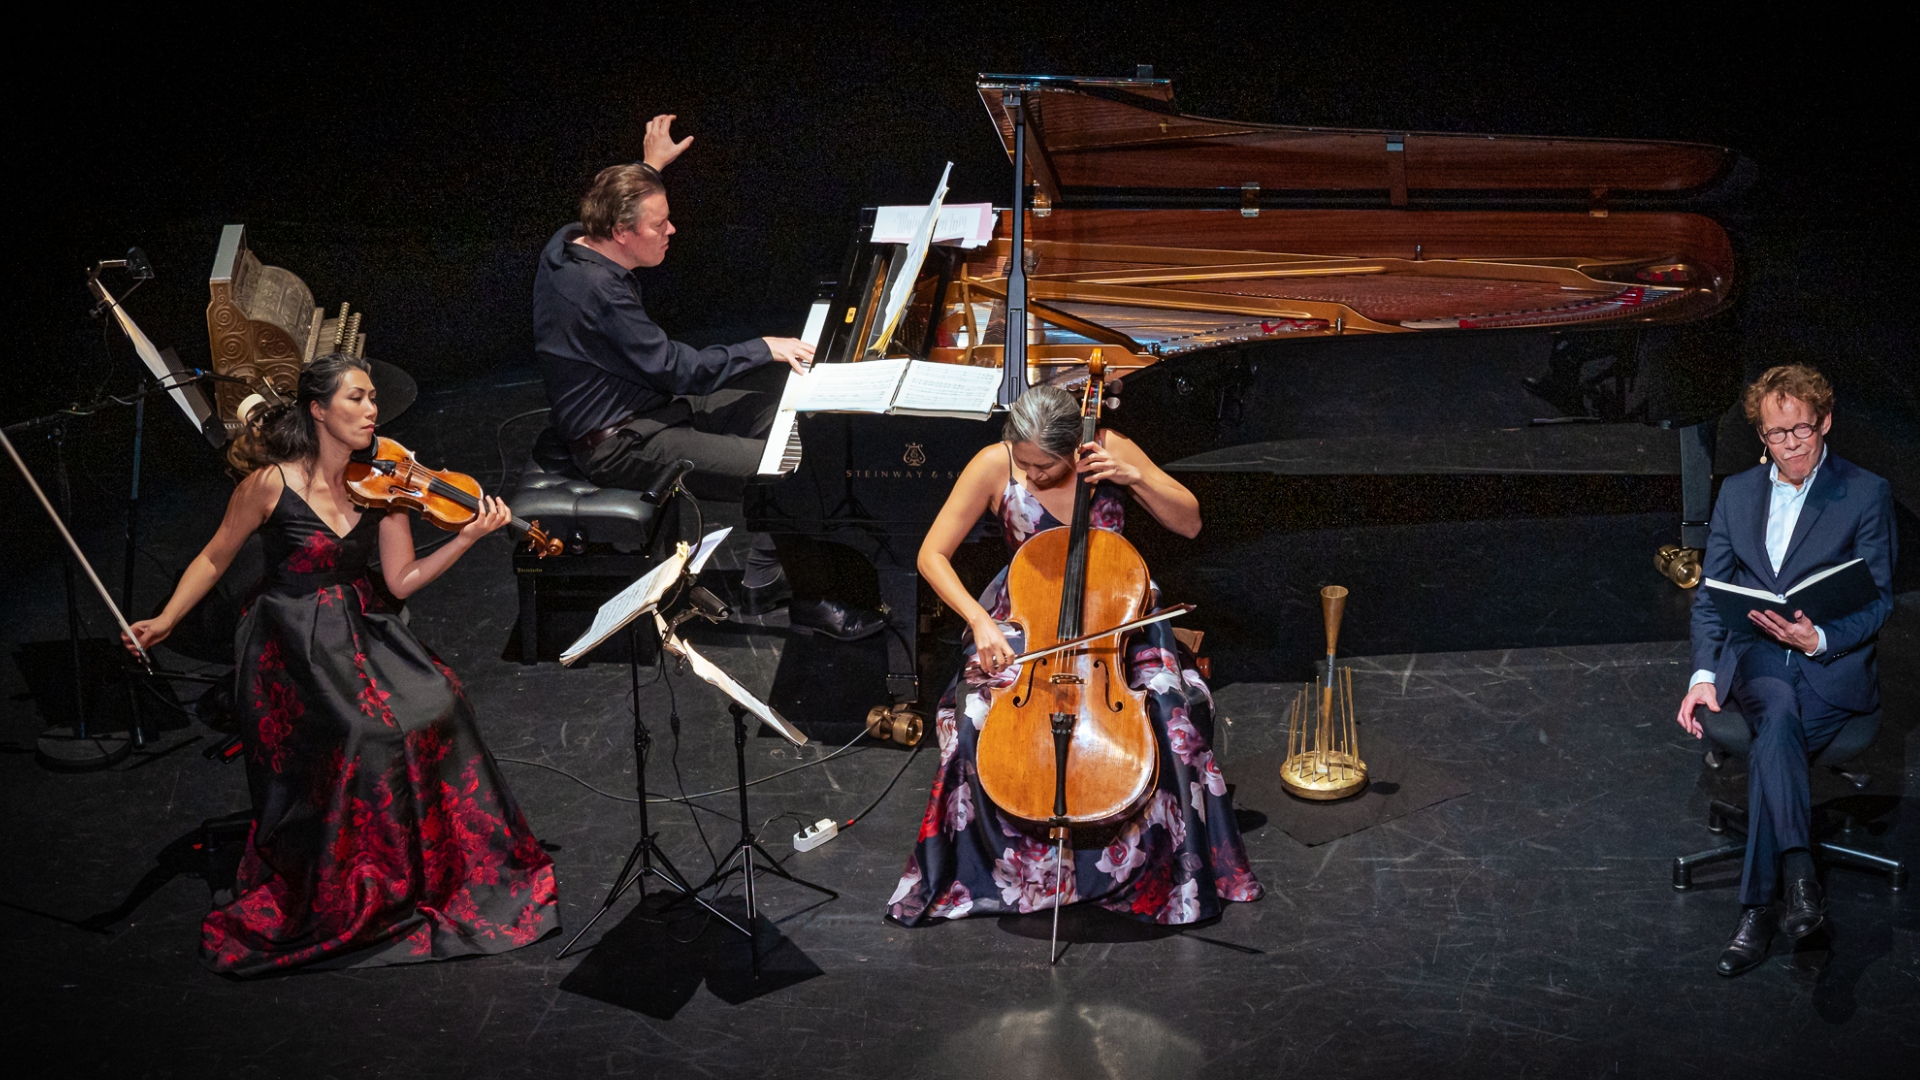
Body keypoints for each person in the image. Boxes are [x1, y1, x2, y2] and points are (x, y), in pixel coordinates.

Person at [123, 354, 559, 976]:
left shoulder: (386, 483)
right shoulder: (270, 484)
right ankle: (357, 880)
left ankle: (424, 873)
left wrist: (465, 538)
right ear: (318, 410)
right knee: (365, 733)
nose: (372, 410)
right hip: (289, 639)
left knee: (441, 700)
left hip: (362, 625)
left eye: (374, 398)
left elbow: (401, 582)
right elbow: (215, 558)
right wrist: (165, 620)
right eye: (356, 398)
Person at [887, 385, 1263, 925]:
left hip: (1117, 617)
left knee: (1170, 715)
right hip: (1026, 615)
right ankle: (999, 873)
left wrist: (1136, 478)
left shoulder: (1111, 448)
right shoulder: (995, 462)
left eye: (1045, 466)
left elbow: (1190, 522)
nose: (1033, 475)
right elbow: (932, 554)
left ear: (1073, 448)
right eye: (1026, 465)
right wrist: (978, 622)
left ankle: (1166, 873)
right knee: (971, 721)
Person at [533, 113, 811, 608]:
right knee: (786, 469)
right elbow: (679, 370)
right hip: (619, 443)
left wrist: (648, 167)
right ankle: (771, 581)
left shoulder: (567, 241)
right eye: (659, 224)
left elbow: (610, 201)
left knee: (788, 422)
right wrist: (763, 347)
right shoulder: (599, 292)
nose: (671, 230)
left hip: (648, 410)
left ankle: (769, 566)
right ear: (621, 232)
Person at [1675, 363, 1895, 977]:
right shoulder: (1738, 493)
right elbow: (1711, 596)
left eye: (1802, 430)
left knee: (1777, 731)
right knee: (1772, 701)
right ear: (1761, 436)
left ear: (1824, 422)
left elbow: (1878, 600)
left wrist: (1819, 636)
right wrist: (1701, 678)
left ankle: (1760, 907)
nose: (1791, 445)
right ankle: (1801, 881)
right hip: (1757, 658)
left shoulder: (1864, 492)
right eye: (1777, 434)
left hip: (1827, 663)